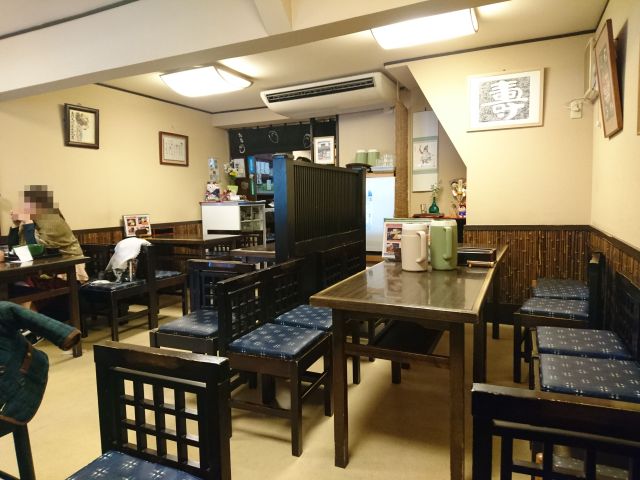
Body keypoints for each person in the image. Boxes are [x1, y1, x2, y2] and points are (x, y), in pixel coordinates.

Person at [7, 186, 88, 319]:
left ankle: (33, 324)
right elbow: (13, 248)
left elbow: (36, 251)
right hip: (41, 272)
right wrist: (16, 225)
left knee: (20, 291)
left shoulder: (53, 221)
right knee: (14, 287)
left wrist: (27, 222)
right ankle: (28, 325)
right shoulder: (31, 224)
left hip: (66, 275)